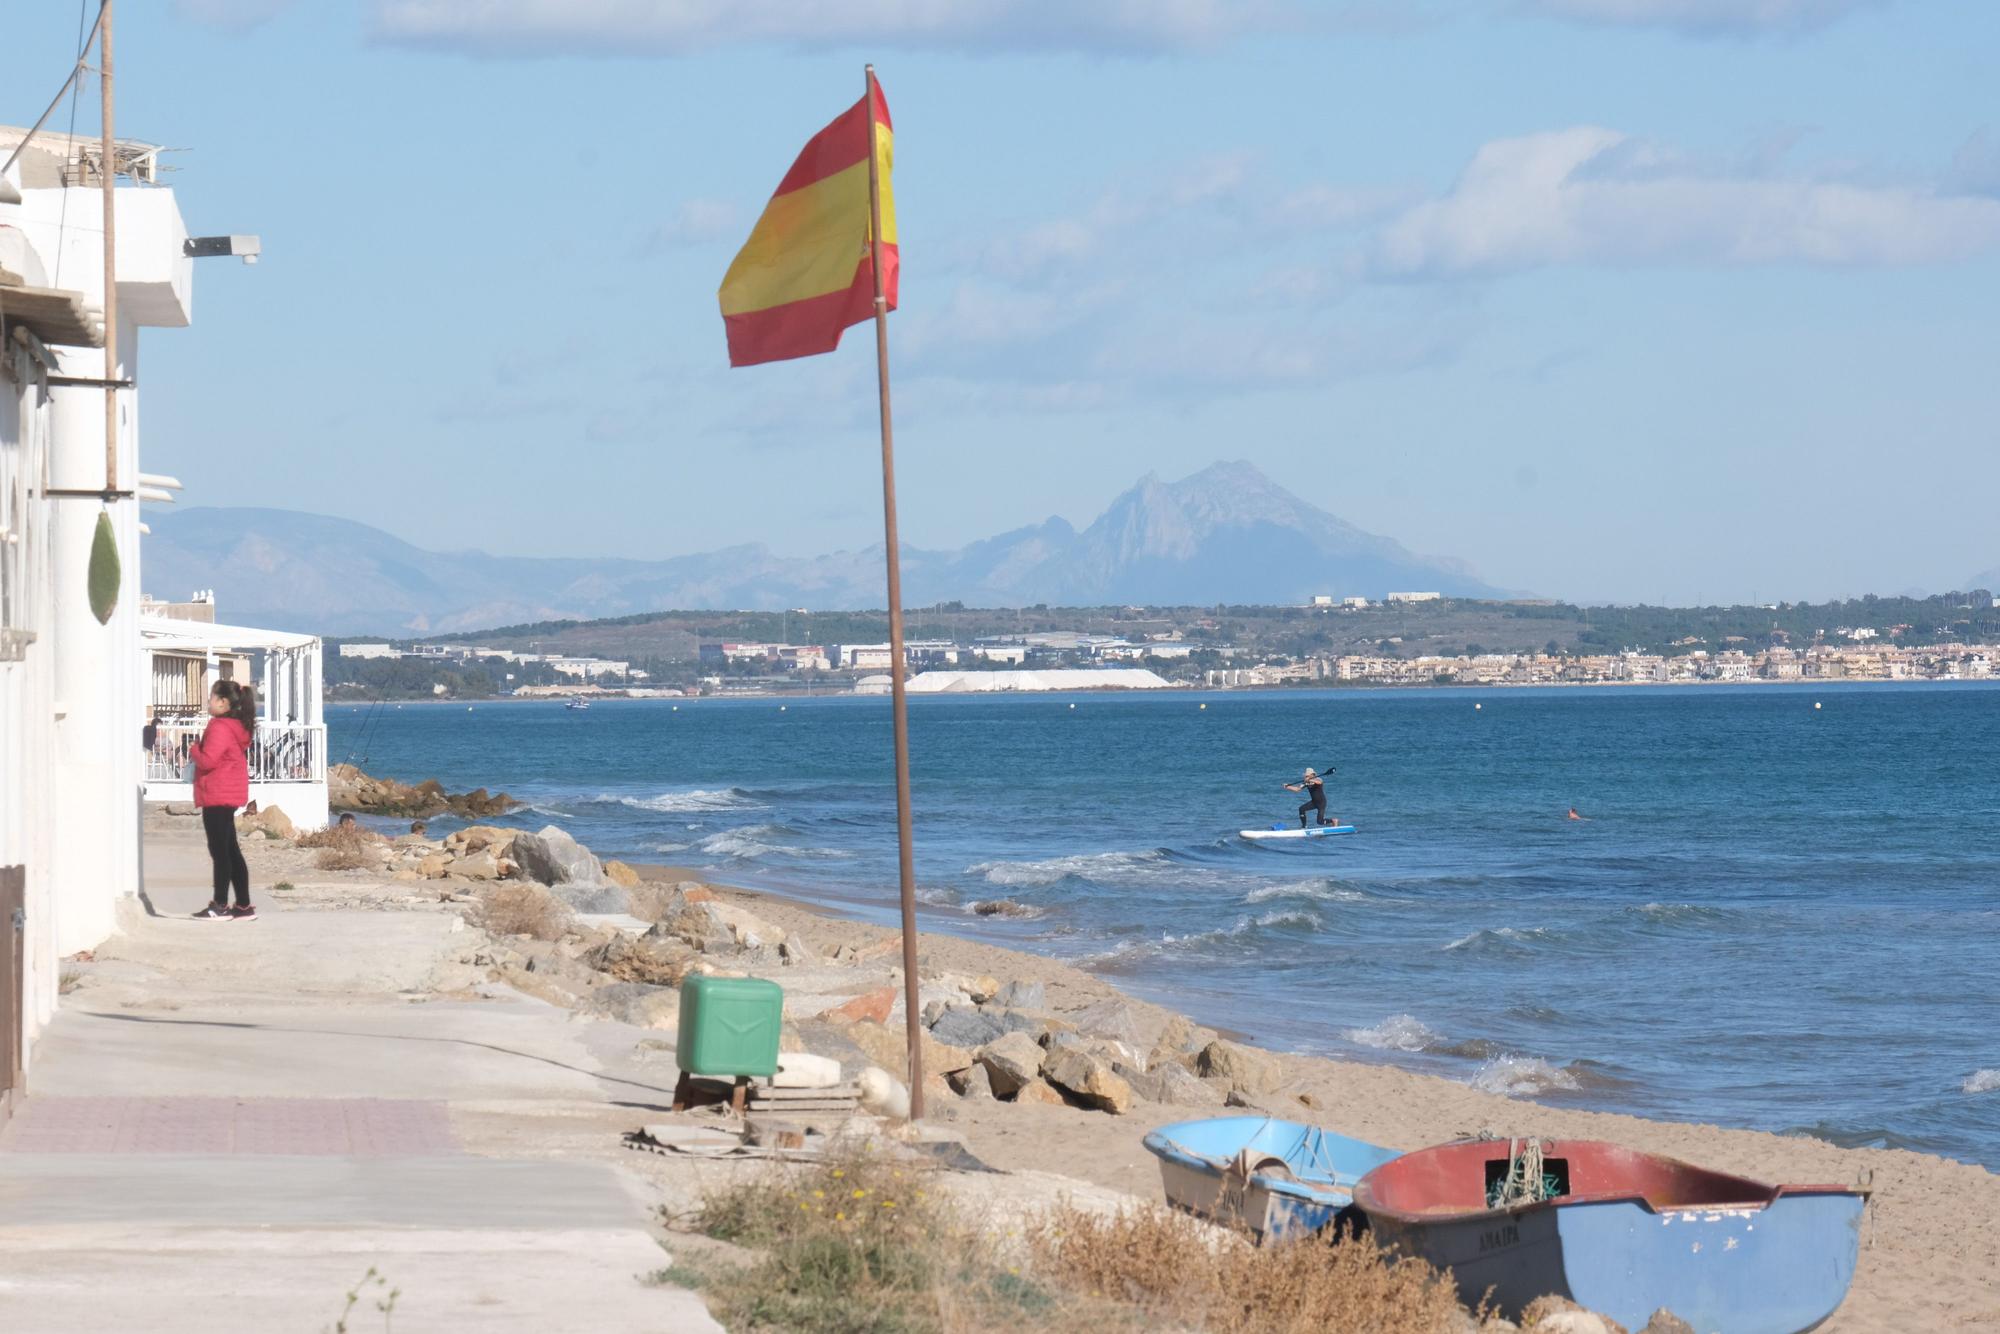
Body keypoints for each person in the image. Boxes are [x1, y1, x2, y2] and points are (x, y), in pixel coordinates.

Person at [189, 680, 257, 920]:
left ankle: (220, 905)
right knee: (231, 850)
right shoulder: (236, 726)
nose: (208, 702)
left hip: (217, 793)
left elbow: (208, 760)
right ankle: (243, 906)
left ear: (223, 702)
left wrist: (193, 749)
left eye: (212, 697)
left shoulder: (219, 726)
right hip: (228, 793)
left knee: (220, 852)